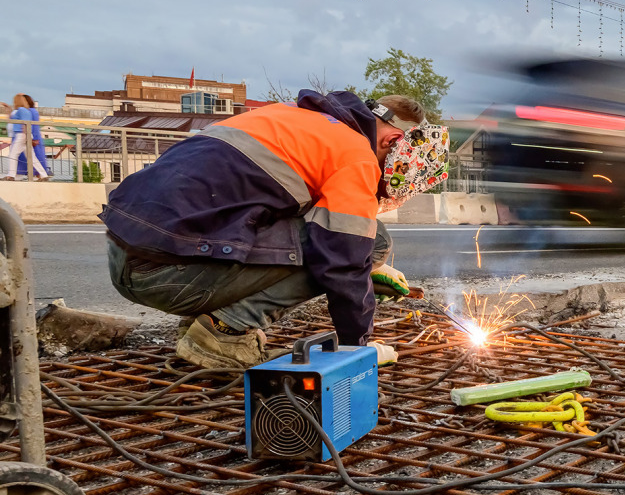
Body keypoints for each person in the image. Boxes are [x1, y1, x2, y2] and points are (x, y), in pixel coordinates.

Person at [100, 89, 449, 370]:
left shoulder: (292, 117)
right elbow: (341, 261)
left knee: (353, 248)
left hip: (128, 259)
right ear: (392, 142)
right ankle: (224, 332)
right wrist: (358, 348)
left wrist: (369, 268)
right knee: (373, 241)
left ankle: (201, 322)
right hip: (167, 275)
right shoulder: (356, 154)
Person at [7, 94, 49, 180]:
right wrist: (7, 107)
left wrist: (25, 135)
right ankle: (44, 175)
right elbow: (11, 117)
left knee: (13, 155)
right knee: (32, 157)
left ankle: (11, 175)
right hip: (25, 135)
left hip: (22, 135)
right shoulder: (26, 110)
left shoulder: (21, 110)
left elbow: (25, 123)